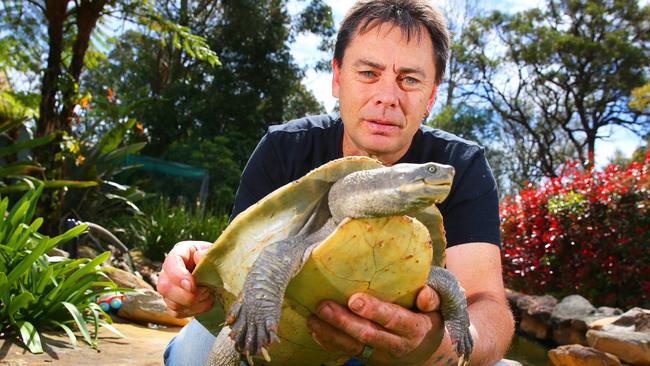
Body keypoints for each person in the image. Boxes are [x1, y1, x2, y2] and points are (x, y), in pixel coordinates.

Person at [158, 0, 515, 365]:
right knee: (194, 352)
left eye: (409, 79)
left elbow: (486, 303)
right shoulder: (286, 148)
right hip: (279, 326)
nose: (387, 97)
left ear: (431, 96)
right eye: (368, 73)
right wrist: (193, 270)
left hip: (395, 354)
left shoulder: (462, 164)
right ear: (337, 77)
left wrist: (442, 346)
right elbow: (252, 262)